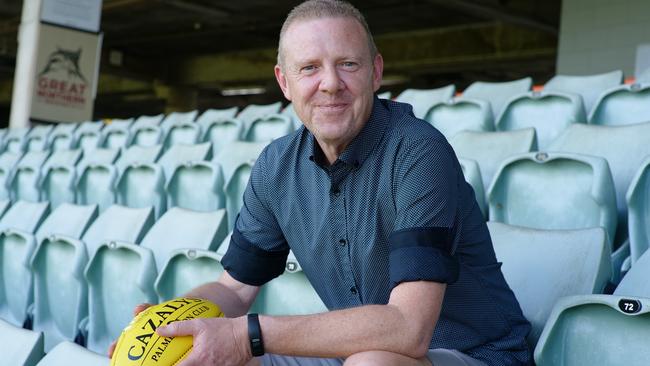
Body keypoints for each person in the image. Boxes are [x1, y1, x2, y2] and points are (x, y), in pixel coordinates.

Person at [110, 1, 532, 365]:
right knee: (203, 357)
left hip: (477, 354)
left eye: (348, 64)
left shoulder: (419, 152)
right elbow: (234, 291)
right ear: (284, 82)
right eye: (309, 68)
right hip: (361, 352)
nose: (330, 83)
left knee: (372, 360)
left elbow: (409, 329)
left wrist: (248, 335)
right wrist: (170, 325)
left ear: (375, 71)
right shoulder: (276, 166)